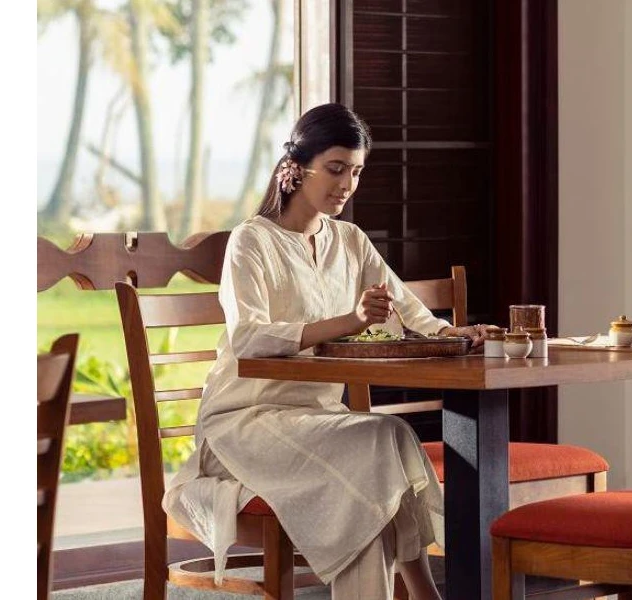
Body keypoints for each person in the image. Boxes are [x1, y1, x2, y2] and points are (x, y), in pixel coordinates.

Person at [163, 103, 487, 599]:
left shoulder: (350, 241)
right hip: (244, 423)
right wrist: (351, 321)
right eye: (336, 169)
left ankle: (424, 595)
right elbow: (250, 337)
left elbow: (405, 307)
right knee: (378, 450)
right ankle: (425, 595)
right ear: (297, 167)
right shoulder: (251, 241)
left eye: (356, 172)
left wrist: (450, 336)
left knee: (387, 441)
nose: (346, 185)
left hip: (317, 421)